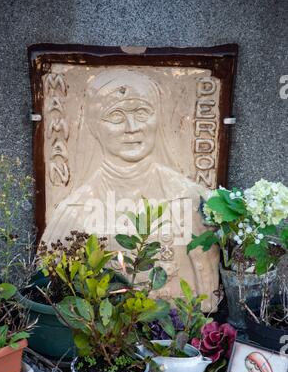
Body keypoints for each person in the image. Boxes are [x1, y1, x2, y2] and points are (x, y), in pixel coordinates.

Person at [41, 69, 220, 311]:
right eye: (115, 116)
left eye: (142, 112)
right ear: (95, 126)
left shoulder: (191, 198)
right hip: (106, 339)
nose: (132, 127)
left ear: (157, 118)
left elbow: (208, 292)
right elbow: (50, 289)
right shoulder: (74, 211)